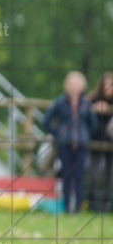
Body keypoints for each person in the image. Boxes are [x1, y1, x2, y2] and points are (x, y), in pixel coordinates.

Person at [41, 71, 99, 214]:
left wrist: (85, 135)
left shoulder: (86, 104)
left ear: (82, 86)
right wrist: (59, 134)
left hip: (81, 145)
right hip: (65, 144)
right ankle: (66, 208)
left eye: (77, 84)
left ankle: (78, 208)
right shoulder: (60, 102)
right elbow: (46, 121)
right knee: (66, 176)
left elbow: (94, 124)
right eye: (71, 84)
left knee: (79, 177)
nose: (74, 87)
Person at [85, 72, 113, 212]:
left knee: (110, 174)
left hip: (110, 142)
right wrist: (94, 109)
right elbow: (83, 112)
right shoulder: (92, 99)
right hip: (95, 140)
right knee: (94, 172)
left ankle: (107, 204)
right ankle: (92, 202)